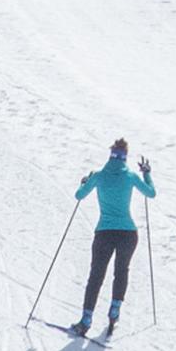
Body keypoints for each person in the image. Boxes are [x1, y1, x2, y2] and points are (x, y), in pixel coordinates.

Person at [70, 138, 155, 337]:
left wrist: (85, 182)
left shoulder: (98, 176)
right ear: (125, 157)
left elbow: (79, 196)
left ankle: (86, 320)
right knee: (121, 271)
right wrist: (147, 174)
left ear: (111, 155)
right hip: (128, 233)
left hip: (105, 232)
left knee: (96, 275)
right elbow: (151, 193)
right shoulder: (131, 176)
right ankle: (114, 311)